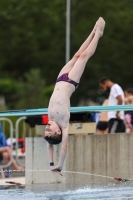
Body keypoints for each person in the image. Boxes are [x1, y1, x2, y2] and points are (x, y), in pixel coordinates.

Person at [44, 17, 106, 175]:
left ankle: (93, 30)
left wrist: (51, 163)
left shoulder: (52, 122)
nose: (47, 128)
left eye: (46, 131)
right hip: (71, 81)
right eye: (49, 131)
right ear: (58, 132)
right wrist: (59, 165)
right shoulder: (64, 125)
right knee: (84, 57)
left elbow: (49, 145)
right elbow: (63, 146)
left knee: (77, 55)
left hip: (60, 78)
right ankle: (98, 34)